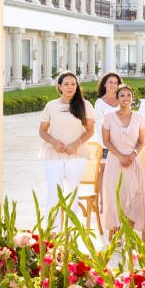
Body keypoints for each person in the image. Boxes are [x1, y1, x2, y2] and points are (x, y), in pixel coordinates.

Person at [38, 71, 95, 222]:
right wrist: (54, 142)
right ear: (59, 86)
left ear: (77, 86)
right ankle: (52, 235)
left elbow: (90, 130)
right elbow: (42, 131)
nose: (70, 87)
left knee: (72, 194)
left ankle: (70, 236)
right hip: (53, 156)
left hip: (76, 156)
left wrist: (76, 144)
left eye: (73, 84)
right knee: (53, 194)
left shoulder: (85, 105)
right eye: (66, 84)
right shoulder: (51, 106)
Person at [101, 84, 145, 236]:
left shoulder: (139, 117)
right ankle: (116, 232)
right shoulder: (108, 117)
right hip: (115, 161)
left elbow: (142, 141)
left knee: (134, 195)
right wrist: (121, 156)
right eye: (122, 95)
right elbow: (106, 141)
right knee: (115, 195)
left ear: (132, 98)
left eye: (129, 95)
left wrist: (132, 155)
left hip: (133, 161)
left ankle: (128, 232)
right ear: (117, 98)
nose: (126, 98)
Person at [94, 72, 122, 156]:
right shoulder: (100, 103)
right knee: (104, 169)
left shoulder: (122, 99)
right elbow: (99, 126)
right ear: (105, 84)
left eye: (115, 83)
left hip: (121, 146)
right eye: (110, 82)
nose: (113, 85)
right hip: (105, 146)